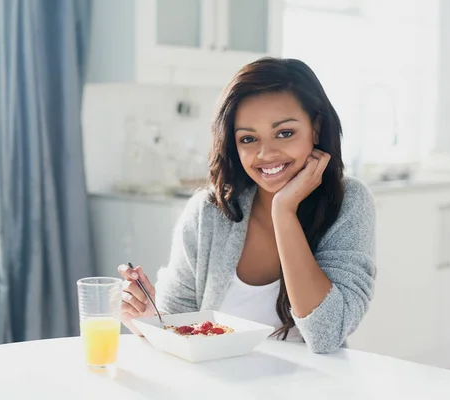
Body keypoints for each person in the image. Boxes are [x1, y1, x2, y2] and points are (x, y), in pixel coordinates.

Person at [117, 57, 376, 354]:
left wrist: (284, 211)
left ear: (315, 128)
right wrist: (148, 319)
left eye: (285, 133)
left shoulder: (349, 202)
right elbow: (178, 324)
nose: (266, 153)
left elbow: (326, 335)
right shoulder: (209, 211)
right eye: (249, 138)